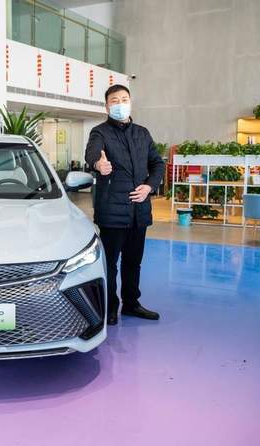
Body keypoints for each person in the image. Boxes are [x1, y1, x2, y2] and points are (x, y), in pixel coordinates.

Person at [85, 84, 165, 326]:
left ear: (130, 102)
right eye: (114, 100)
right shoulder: (100, 132)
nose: (120, 104)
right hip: (112, 212)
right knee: (110, 264)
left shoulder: (142, 133)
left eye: (124, 99)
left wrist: (149, 186)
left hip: (139, 211)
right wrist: (98, 164)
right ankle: (110, 308)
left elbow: (157, 164)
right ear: (106, 106)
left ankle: (131, 304)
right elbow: (92, 154)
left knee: (133, 262)